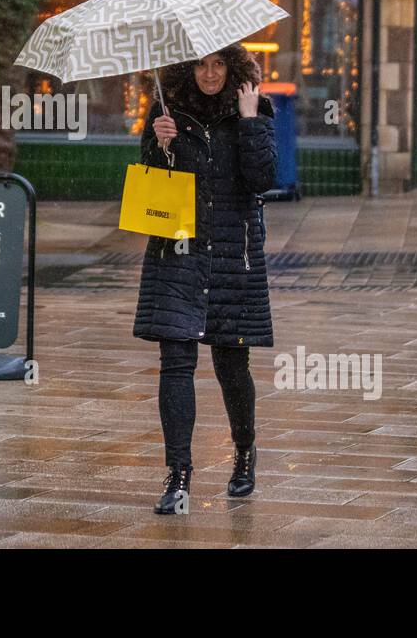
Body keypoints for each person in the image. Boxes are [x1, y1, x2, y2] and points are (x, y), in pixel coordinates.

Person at [133, 44, 276, 514]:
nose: (209, 74)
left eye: (218, 64)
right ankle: (178, 476)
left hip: (233, 256)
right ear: (185, 68)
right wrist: (160, 144)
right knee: (176, 362)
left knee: (231, 365)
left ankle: (245, 452)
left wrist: (251, 119)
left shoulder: (252, 106)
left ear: (232, 67)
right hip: (178, 252)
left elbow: (262, 179)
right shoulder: (167, 109)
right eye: (200, 64)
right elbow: (148, 188)